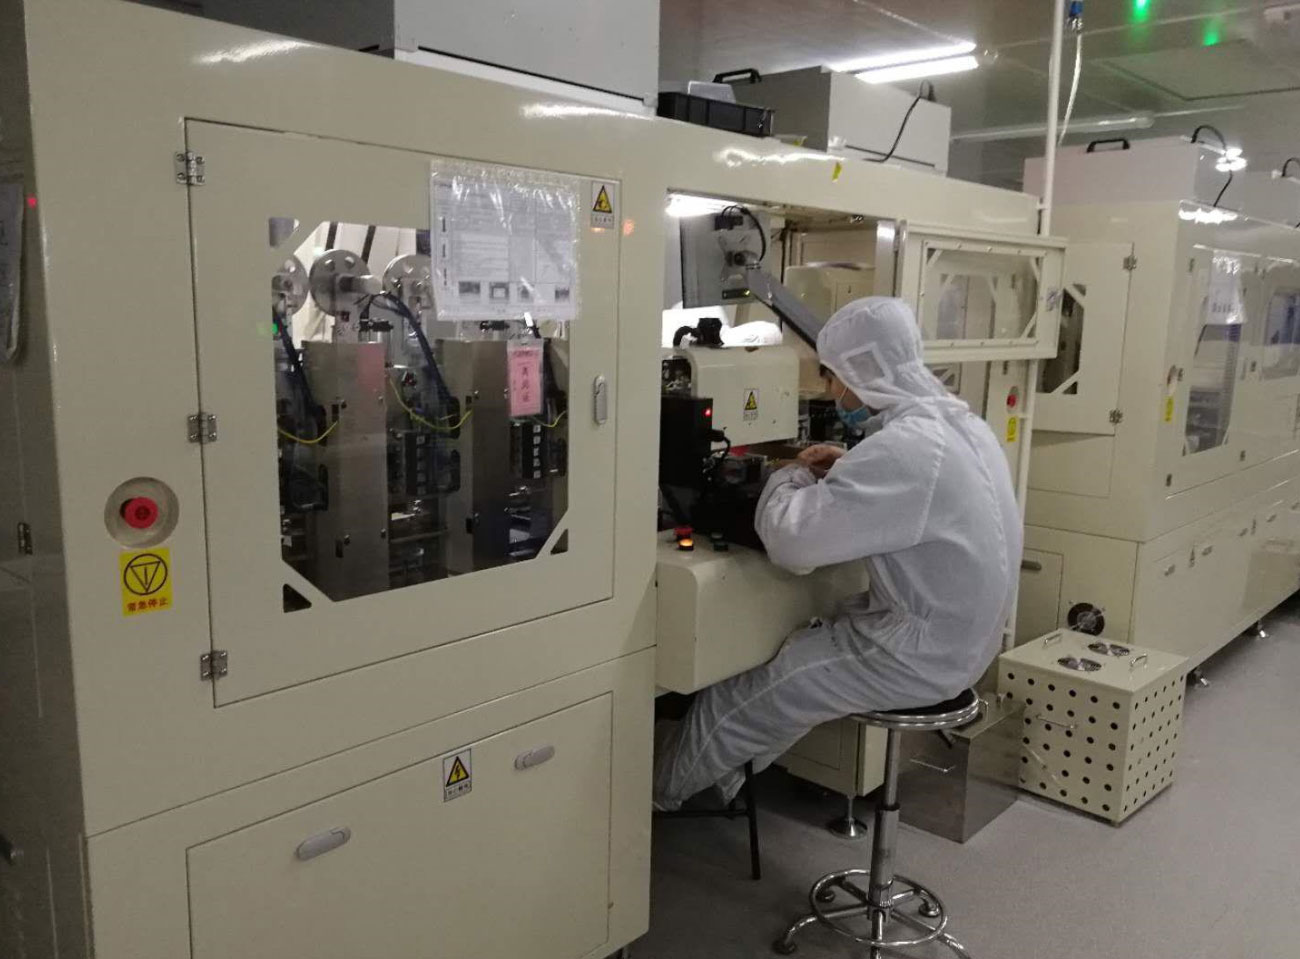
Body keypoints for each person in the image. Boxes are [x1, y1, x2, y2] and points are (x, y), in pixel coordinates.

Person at [653, 296, 1022, 810]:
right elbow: (910, 491)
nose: (830, 391)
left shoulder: (908, 449)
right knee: (792, 663)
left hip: (917, 656)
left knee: (745, 693)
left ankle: (657, 798)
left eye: (831, 377)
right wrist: (852, 465)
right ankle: (723, 781)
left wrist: (789, 475)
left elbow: (790, 543)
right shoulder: (962, 426)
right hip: (962, 642)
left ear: (858, 370)